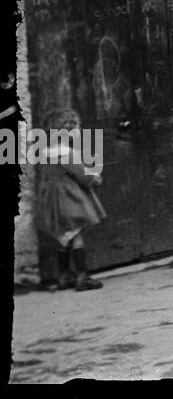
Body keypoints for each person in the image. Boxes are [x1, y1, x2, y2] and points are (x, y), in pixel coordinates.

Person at [36, 108, 106, 292]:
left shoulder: (45, 152)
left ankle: (64, 275)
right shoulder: (66, 152)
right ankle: (83, 277)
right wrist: (95, 178)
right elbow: (81, 174)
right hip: (70, 199)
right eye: (75, 128)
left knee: (66, 235)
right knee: (77, 235)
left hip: (53, 200)